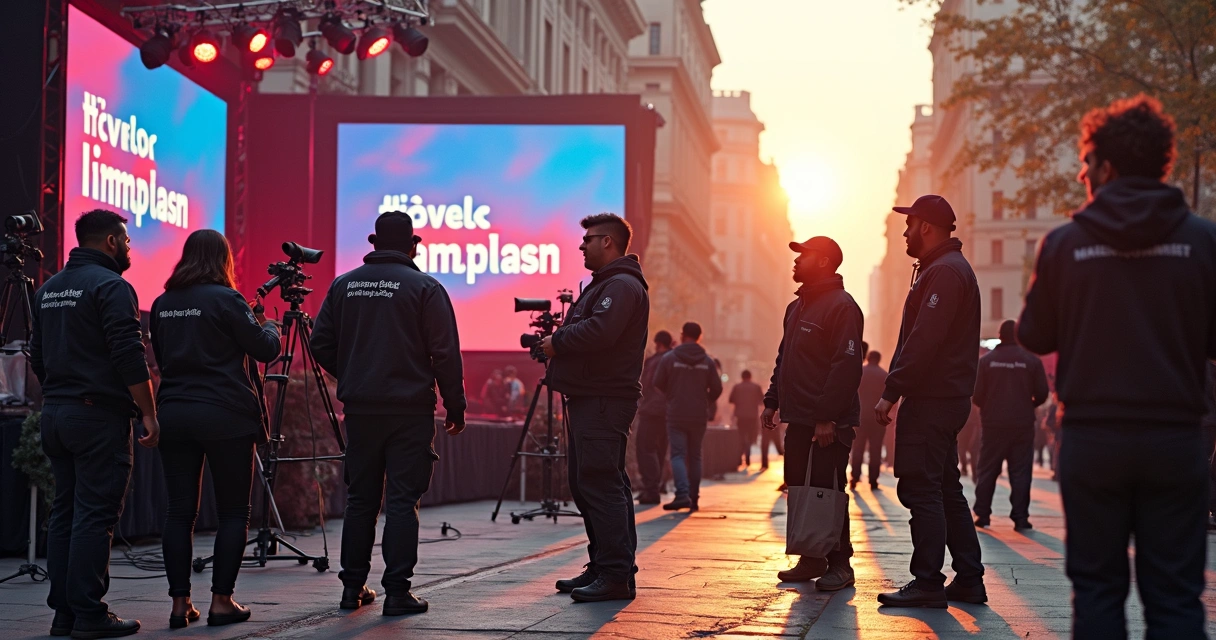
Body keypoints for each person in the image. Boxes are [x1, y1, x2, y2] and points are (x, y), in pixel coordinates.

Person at [1017, 95, 1216, 639]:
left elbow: (1035, 335)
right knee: (1176, 597)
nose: (1082, 172)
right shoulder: (1203, 241)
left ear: (1105, 167)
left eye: (1086, 161)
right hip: (1176, 441)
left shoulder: (1064, 243)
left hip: (1094, 442)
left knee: (1099, 593)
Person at [311, 211, 466, 616]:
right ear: (413, 245)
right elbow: (445, 353)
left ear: (373, 242)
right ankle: (397, 592)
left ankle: (352, 589)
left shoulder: (344, 285)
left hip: (361, 410)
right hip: (409, 410)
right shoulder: (426, 288)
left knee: (361, 499)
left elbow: (320, 342)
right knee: (401, 500)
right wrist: (456, 404)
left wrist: (354, 373)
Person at [31, 210, 159, 639]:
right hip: (96, 416)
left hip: (55, 414)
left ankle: (64, 614)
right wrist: (148, 412)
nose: (128, 248)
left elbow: (38, 356)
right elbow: (128, 355)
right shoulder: (112, 286)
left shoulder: (48, 289)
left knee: (66, 512)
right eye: (125, 240)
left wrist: (59, 392)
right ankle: (89, 613)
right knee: (94, 515)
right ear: (109, 241)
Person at [150, 230, 282, 629]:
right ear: (224, 260)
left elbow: (161, 358)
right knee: (232, 512)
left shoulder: (161, 304)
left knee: (179, 513)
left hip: (174, 414)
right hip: (225, 415)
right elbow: (264, 349)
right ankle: (221, 601)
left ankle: (179, 605)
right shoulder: (227, 299)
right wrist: (270, 326)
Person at [873, 194, 985, 608]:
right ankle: (969, 578)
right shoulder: (942, 269)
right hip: (944, 396)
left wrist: (892, 390)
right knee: (944, 486)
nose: (904, 231)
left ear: (927, 227)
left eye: (909, 223)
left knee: (921, 486)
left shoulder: (944, 273)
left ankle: (927, 581)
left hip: (934, 397)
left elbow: (924, 340)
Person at [541, 212, 649, 603]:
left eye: (588, 239)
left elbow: (601, 332)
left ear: (608, 242)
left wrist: (558, 342)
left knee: (601, 484)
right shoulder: (606, 284)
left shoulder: (620, 285)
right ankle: (605, 566)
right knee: (592, 484)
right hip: (593, 395)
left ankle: (616, 576)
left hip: (605, 397)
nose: (581, 245)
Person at [762, 236, 863, 591]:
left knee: (828, 489)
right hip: (799, 419)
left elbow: (846, 366)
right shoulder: (797, 307)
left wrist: (827, 417)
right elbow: (784, 358)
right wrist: (772, 400)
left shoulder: (842, 306)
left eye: (802, 255)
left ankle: (840, 563)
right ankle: (811, 556)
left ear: (822, 261)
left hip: (828, 423)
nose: (796, 261)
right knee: (801, 487)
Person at [970, 320, 1049, 531]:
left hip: (993, 424)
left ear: (1000, 335)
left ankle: (983, 514)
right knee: (1021, 472)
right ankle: (1021, 518)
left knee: (987, 469)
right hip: (1022, 424)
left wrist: (988, 408)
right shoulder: (1031, 361)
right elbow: (1042, 392)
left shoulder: (986, 362)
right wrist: (1029, 405)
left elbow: (976, 394)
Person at [653, 322, 722, 512]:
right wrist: (705, 401)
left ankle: (681, 494)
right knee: (695, 455)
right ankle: (694, 497)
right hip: (698, 414)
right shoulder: (707, 361)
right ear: (699, 336)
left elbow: (657, 382)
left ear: (683, 335)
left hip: (676, 413)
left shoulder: (669, 358)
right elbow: (717, 388)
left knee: (677, 454)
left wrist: (672, 396)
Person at [635, 331, 673, 504]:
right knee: (660, 450)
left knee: (645, 448)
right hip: (669, 412)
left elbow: (644, 383)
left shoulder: (654, 361)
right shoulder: (675, 359)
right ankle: (654, 487)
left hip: (651, 410)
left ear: (658, 343)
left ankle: (650, 490)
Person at [850, 350, 887, 490]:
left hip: (860, 416)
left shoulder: (860, 373)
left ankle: (855, 476)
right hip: (878, 418)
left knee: (858, 447)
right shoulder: (884, 375)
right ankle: (873, 479)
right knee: (875, 449)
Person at [730, 370, 765, 469]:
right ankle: (748, 457)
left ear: (742, 377)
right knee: (750, 437)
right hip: (752, 416)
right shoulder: (756, 387)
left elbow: (731, 399)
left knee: (741, 437)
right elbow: (762, 401)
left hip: (740, 416)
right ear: (750, 376)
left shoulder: (737, 387)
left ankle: (739, 459)